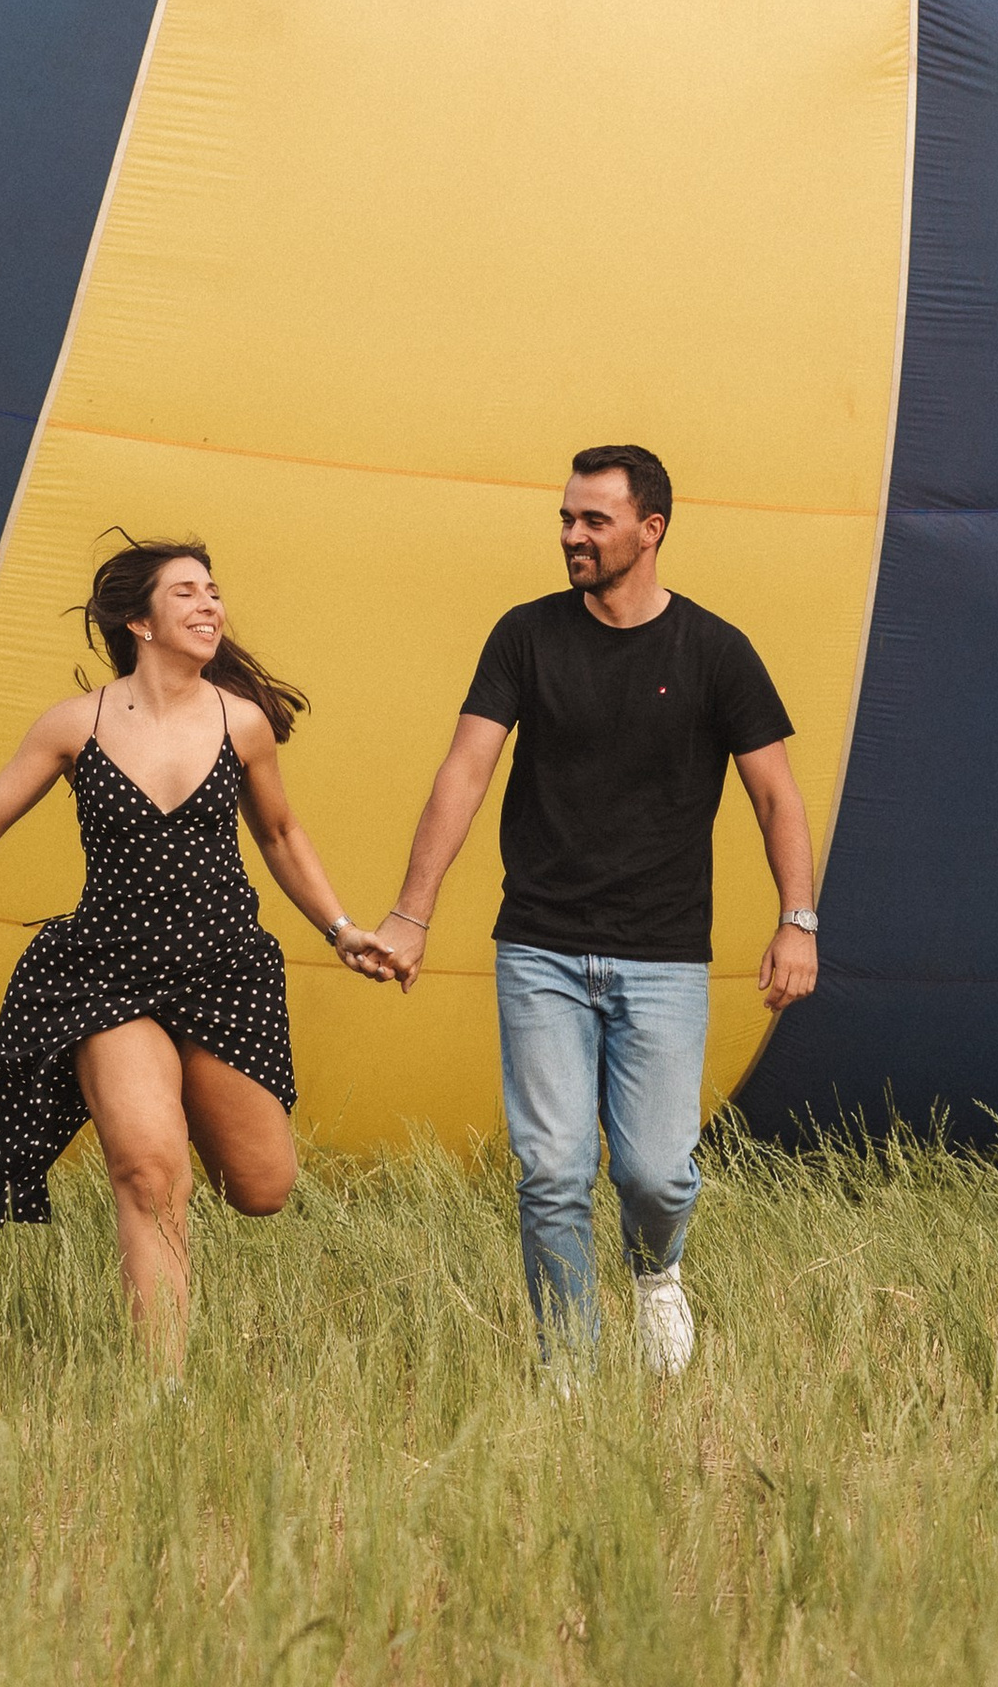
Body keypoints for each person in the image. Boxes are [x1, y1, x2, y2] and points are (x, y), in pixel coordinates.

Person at [0, 538, 390, 1358]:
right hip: (105, 974)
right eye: (187, 594)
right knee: (149, 1171)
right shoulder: (76, 723)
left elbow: (280, 832)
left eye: (214, 593)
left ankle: (177, 1089)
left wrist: (340, 931)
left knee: (263, 1188)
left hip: (222, 969)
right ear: (140, 620)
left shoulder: (242, 722)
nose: (210, 607)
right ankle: (159, 1390)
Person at [366, 444, 819, 1372]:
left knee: (654, 1173)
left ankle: (658, 1274)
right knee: (553, 1174)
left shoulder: (715, 650)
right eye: (567, 518)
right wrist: (413, 912)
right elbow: (466, 771)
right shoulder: (525, 637)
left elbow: (777, 795)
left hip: (662, 955)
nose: (572, 535)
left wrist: (797, 920)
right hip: (540, 945)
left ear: (650, 531)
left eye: (593, 521)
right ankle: (567, 1366)